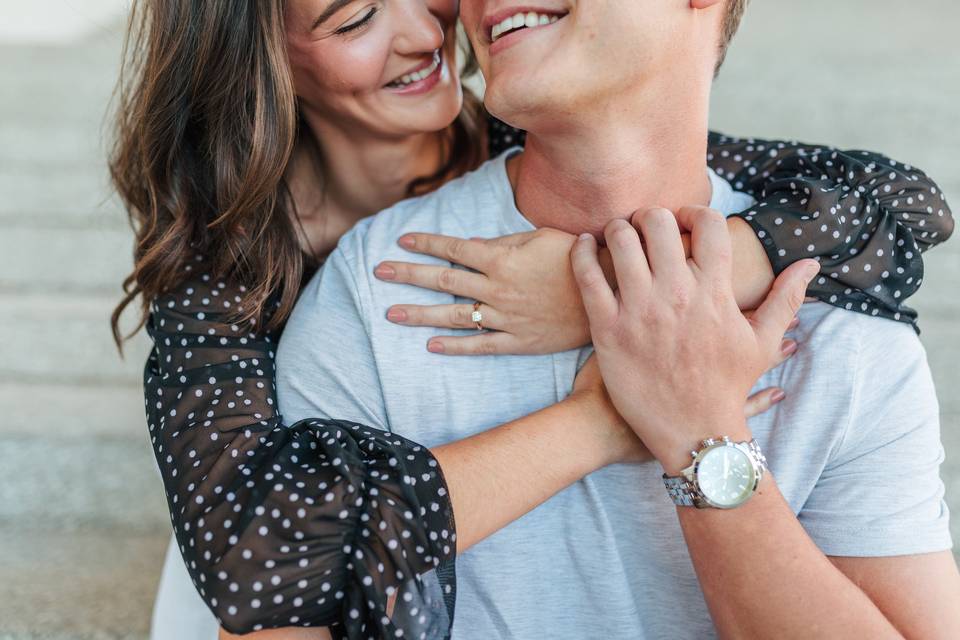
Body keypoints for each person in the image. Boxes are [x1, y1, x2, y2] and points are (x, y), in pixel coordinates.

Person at [106, 0, 954, 638]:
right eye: (357, 16)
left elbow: (900, 203)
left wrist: (618, 284)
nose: (426, 29)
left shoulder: (841, 318)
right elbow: (268, 562)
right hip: (260, 536)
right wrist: (616, 413)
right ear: (270, 67)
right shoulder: (255, 281)